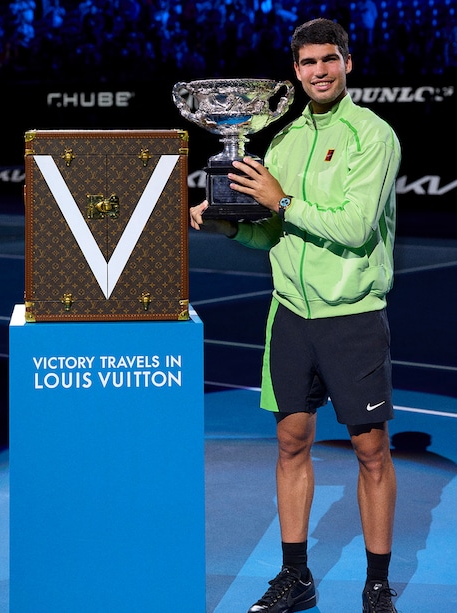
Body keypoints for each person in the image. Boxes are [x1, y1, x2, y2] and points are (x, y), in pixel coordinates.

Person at [189, 18, 401, 613]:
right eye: (308, 62)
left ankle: (376, 585)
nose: (319, 71)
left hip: (353, 313)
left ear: (347, 63)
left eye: (329, 59)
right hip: (289, 315)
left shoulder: (372, 135)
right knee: (290, 442)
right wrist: (228, 222)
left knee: (370, 450)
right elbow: (272, 235)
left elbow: (355, 227)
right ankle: (295, 576)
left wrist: (279, 199)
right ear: (296, 72)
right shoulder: (282, 140)